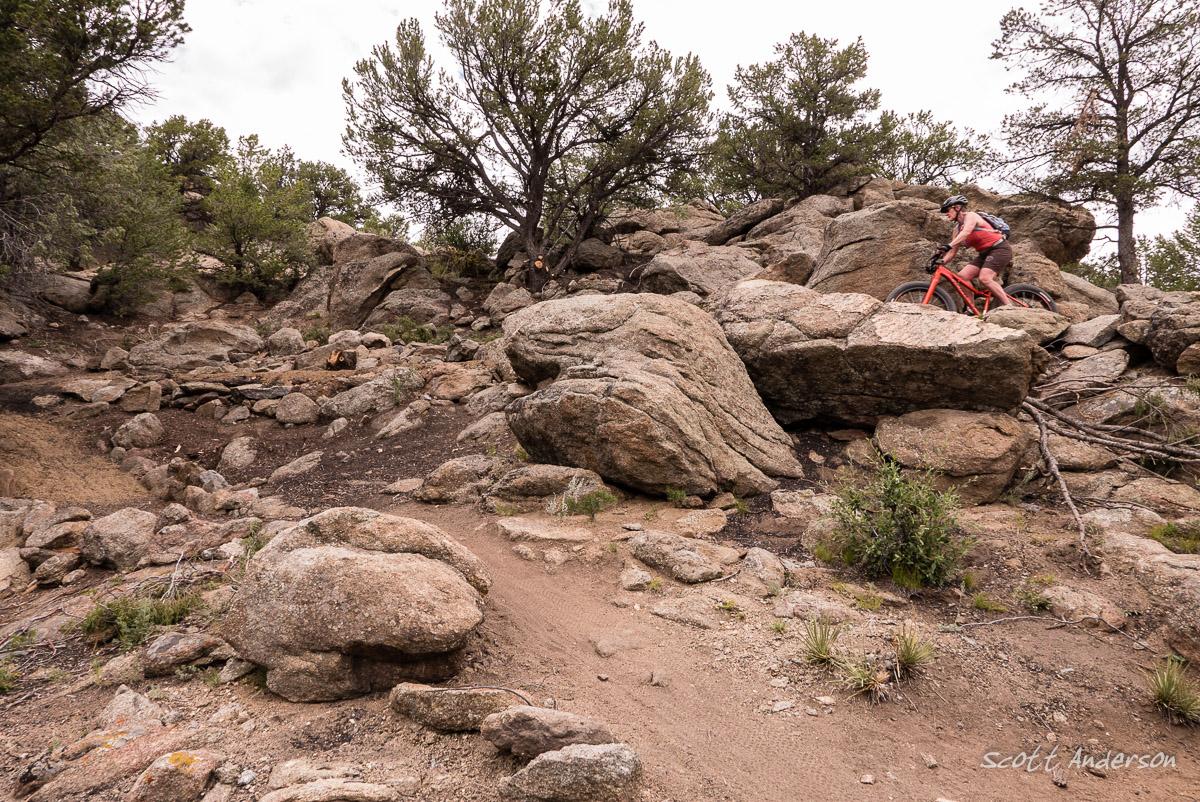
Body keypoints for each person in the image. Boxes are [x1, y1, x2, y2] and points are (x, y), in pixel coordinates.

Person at [938, 195, 1013, 306]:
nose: (946, 213)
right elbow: (952, 252)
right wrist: (941, 262)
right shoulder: (956, 229)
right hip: (984, 254)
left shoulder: (971, 216)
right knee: (962, 277)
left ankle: (1009, 307)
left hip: (1000, 249)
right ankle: (971, 308)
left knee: (985, 278)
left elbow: (966, 232)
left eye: (948, 210)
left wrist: (949, 245)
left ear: (957, 207)